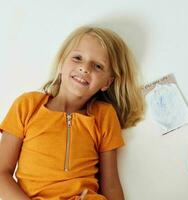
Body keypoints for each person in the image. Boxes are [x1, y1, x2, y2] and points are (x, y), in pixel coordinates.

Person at [0, 26, 144, 200]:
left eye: (98, 66)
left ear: (107, 82)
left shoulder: (104, 115)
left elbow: (111, 185)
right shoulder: (27, 105)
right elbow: (2, 173)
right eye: (77, 58)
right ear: (61, 64)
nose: (85, 68)